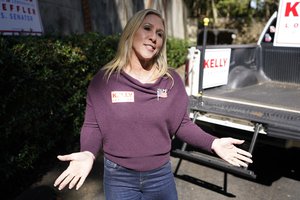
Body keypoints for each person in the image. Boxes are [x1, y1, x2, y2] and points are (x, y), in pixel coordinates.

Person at [54, 8, 252, 200]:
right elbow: (92, 124)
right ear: (131, 32)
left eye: (160, 33)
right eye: (147, 28)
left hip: (160, 177)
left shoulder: (171, 80)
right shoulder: (104, 80)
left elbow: (182, 124)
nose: (153, 37)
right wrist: (88, 152)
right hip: (118, 178)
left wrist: (213, 142)